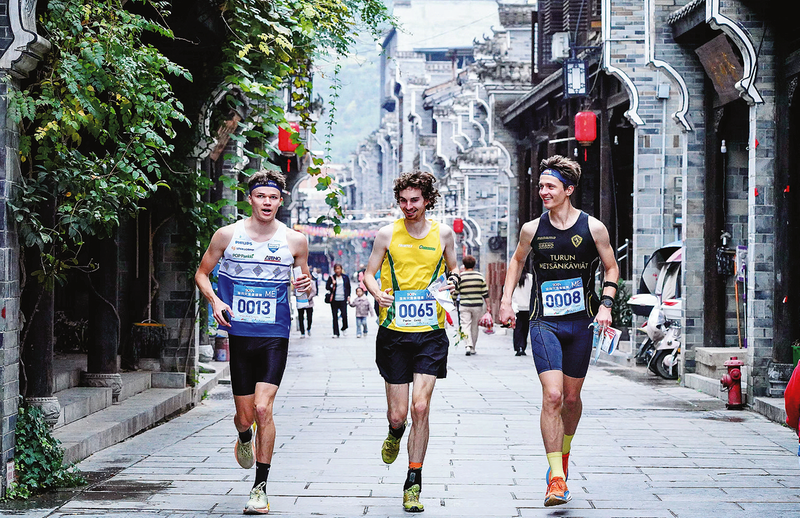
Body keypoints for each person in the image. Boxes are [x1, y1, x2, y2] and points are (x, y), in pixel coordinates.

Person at [498, 155, 619, 508]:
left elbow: (611, 268)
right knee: (552, 396)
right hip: (544, 321)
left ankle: (562, 460)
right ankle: (556, 479)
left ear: (569, 189)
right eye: (540, 186)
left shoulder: (593, 228)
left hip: (581, 323)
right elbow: (517, 260)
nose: (543, 192)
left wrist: (606, 305)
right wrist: (506, 301)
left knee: (571, 399)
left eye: (550, 186)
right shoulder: (532, 229)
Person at [195, 170, 312, 515]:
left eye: (273, 197)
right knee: (245, 417)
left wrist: (307, 287)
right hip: (240, 335)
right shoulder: (227, 235)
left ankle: (259, 488)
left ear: (280, 201)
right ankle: (244, 436)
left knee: (264, 409)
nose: (267, 202)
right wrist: (216, 300)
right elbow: (202, 273)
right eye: (261, 196)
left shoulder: (295, 241)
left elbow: (304, 286)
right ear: (251, 199)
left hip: (275, 334)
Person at [363, 170, 459, 513]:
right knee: (398, 413)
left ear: (427, 200)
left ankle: (413, 482)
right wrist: (376, 292)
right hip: (394, 332)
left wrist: (454, 281)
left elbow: (453, 270)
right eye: (403, 201)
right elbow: (368, 273)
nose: (408, 206)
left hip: (431, 332)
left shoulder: (443, 234)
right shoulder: (387, 234)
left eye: (414, 200)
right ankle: (394, 431)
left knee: (421, 407)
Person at [455, 255, 490, 356]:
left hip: (464, 305)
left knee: (465, 325)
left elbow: (455, 292)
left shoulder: (460, 277)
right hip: (477, 306)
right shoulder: (479, 276)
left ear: (464, 265)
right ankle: (473, 348)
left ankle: (468, 345)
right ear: (474, 265)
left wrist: (453, 302)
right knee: (475, 326)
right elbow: (485, 293)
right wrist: (488, 306)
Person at [511, 261, 533, 356]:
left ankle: (518, 347)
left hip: (517, 307)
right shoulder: (530, 278)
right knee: (525, 328)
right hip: (527, 307)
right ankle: (523, 347)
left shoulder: (513, 278)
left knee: (518, 328)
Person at [326, 263, 351, 337]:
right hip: (334, 300)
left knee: (344, 315)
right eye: (336, 269)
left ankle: (344, 328)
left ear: (341, 269)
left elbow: (348, 287)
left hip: (343, 299)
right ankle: (336, 333)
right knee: (335, 317)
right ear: (334, 270)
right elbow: (327, 287)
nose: (337, 270)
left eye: (339, 268)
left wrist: (348, 296)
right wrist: (332, 285)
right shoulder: (332, 278)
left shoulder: (345, 277)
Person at [297, 270, 317, 338]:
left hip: (309, 303)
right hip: (300, 302)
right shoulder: (298, 283)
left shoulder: (311, 282)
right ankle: (302, 332)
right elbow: (295, 291)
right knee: (301, 318)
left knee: (309, 317)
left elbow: (314, 291)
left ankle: (309, 328)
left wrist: (308, 297)